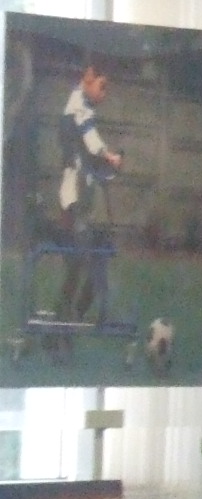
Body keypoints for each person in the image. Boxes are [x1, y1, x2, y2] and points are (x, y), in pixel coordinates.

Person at [51, 61, 122, 325]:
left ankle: (74, 314)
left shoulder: (83, 106)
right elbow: (91, 141)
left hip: (81, 201)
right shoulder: (77, 103)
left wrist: (105, 165)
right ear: (89, 77)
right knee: (80, 261)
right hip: (72, 203)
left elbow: (90, 153)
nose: (104, 94)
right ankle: (65, 318)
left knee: (95, 259)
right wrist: (109, 156)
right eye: (101, 87)